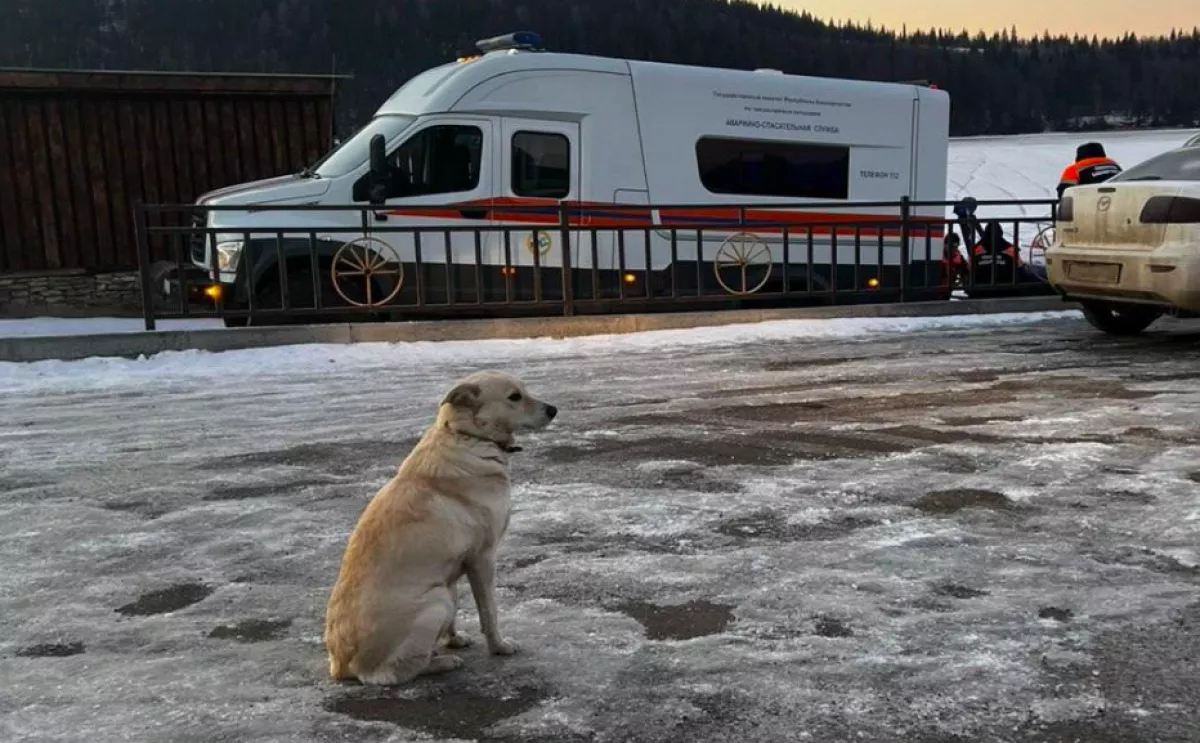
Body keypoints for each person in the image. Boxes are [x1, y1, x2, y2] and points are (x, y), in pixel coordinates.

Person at [1056, 142, 1122, 198]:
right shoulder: (1114, 165)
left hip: (1089, 203)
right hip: (1116, 200)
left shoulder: (1074, 169)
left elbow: (1063, 193)